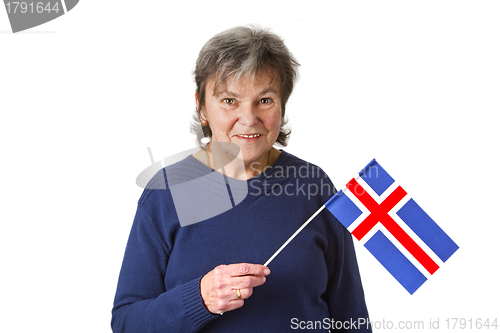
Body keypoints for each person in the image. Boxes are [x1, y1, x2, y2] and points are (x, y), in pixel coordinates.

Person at [111, 26, 371, 332]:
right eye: (229, 101)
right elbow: (127, 322)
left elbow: (351, 317)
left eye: (264, 100)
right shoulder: (167, 192)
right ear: (201, 105)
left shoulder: (314, 185)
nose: (248, 119)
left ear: (282, 105)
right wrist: (199, 299)